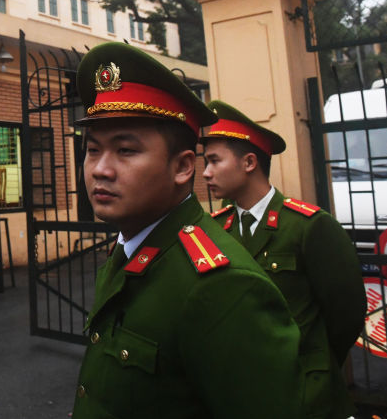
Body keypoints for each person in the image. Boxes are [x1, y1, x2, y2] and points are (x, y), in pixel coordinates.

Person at [71, 42, 302, 418]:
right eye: (93, 150)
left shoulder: (222, 286)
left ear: (182, 167)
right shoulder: (130, 247)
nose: (100, 169)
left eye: (126, 150)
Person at [201, 99, 365, 418]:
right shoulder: (216, 228)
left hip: (305, 391)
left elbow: (346, 314)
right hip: (241, 391)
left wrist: (315, 361)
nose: (206, 173)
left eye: (214, 161)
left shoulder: (308, 226)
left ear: (249, 162)